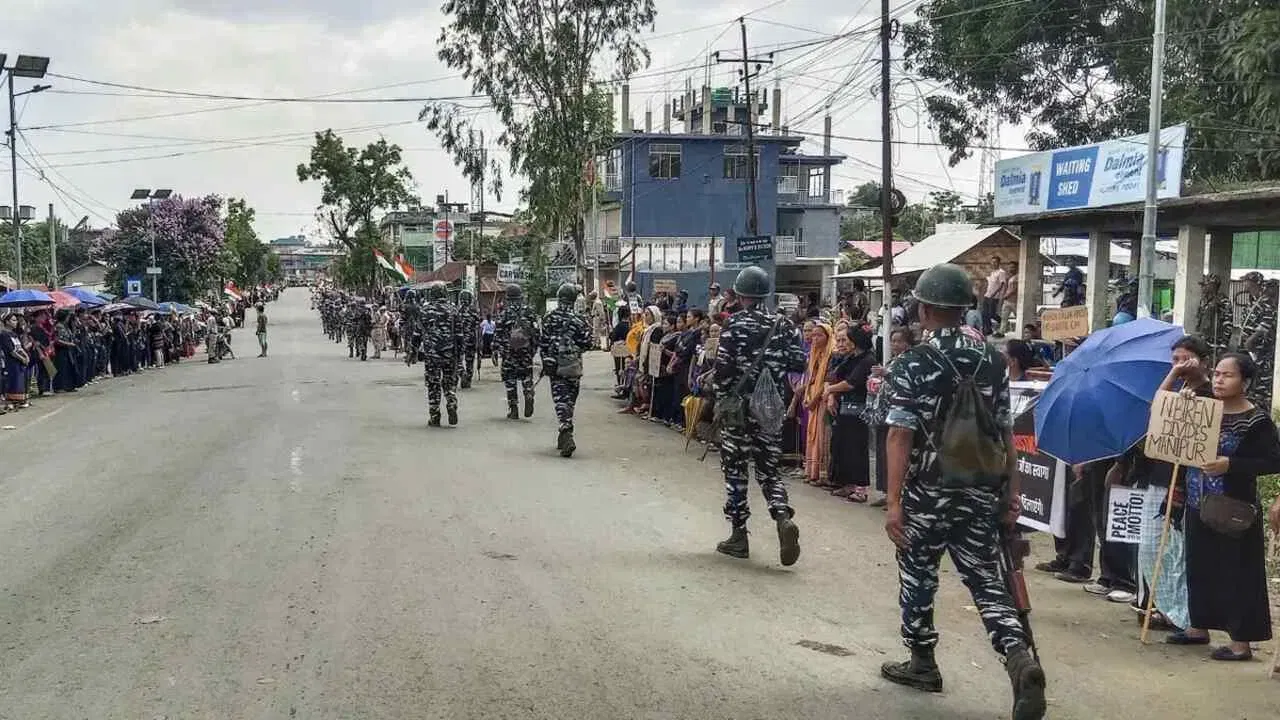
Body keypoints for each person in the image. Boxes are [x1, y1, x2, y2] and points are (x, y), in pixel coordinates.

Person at [879, 262, 1044, 718]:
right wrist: (1012, 493)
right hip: (980, 491)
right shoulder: (993, 361)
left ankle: (922, 661)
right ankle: (1017, 655)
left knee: (919, 575)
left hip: (927, 493)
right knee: (987, 580)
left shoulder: (912, 363)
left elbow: (899, 436)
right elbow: (1005, 432)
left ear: (925, 308)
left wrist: (894, 504)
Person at [1174, 352, 1280, 660]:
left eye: (1227, 375)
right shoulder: (1203, 409)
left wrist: (1230, 465)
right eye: (1217, 374)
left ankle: (1241, 642)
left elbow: (1273, 461)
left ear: (1244, 382)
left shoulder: (1256, 421)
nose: (1219, 380)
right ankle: (1199, 626)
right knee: (1199, 566)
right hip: (1197, 500)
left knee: (1238, 572)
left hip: (1234, 507)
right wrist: (1183, 406)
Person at [712, 266, 807, 566]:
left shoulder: (735, 324)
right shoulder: (786, 326)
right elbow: (799, 362)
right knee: (769, 470)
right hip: (770, 408)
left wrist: (719, 396)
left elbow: (724, 369)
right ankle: (781, 516)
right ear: (765, 294)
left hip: (739, 410)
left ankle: (738, 535)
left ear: (740, 295)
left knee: (736, 470)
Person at [540, 283, 594, 457]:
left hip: (555, 366)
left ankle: (566, 431)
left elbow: (543, 343)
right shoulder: (579, 319)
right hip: (573, 365)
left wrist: (545, 360)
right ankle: (564, 432)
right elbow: (588, 343)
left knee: (560, 400)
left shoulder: (549, 317)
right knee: (569, 400)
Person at [825, 325, 876, 502]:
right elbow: (833, 376)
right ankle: (847, 484)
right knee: (842, 446)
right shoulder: (850, 358)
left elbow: (851, 383)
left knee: (857, 449)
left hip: (860, 410)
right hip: (844, 408)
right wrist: (831, 394)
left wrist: (830, 389)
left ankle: (861, 489)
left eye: (847, 339)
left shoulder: (868, 360)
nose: (843, 343)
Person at [419, 282, 462, 427]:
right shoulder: (453, 310)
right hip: (450, 353)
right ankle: (451, 401)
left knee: (433, 383)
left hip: (432, 354)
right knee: (449, 381)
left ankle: (435, 415)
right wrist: (459, 355)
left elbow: (417, 333)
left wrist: (412, 350)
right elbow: (459, 335)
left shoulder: (425, 310)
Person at [495, 284, 541, 420]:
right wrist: (532, 350)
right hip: (525, 352)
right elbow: (536, 333)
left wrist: (498, 351)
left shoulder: (504, 313)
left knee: (510, 380)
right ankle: (528, 393)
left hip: (509, 353)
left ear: (508, 298)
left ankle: (513, 408)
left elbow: (498, 335)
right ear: (521, 297)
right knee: (526, 377)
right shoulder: (529, 312)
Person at [1237, 272, 1276, 409]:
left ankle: (1263, 407)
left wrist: (1252, 339)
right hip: (1247, 348)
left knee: (1261, 378)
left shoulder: (1266, 301)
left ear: (1254, 282)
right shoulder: (1253, 300)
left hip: (1259, 349)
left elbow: (1266, 322)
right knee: (1249, 377)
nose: (1244, 284)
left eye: (1246, 281)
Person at [1195, 274, 1233, 364]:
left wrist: (1224, 345)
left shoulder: (1223, 301)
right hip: (1203, 340)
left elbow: (1228, 324)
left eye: (1205, 285)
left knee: (1214, 367)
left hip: (1216, 342)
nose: (1202, 288)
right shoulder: (1203, 300)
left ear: (1212, 286)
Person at [456, 290, 481, 388]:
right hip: (471, 338)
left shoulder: (457, 311)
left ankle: (462, 373)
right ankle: (468, 380)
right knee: (470, 360)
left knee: (458, 359)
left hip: (460, 339)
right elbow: (478, 324)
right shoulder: (474, 311)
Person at [983, 256, 1009, 335]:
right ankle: (988, 329)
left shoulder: (1001, 272)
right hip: (987, 295)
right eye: (992, 262)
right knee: (985, 314)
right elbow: (990, 284)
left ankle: (1004, 323)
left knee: (992, 314)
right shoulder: (992, 272)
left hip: (994, 297)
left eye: (995, 262)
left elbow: (1001, 284)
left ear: (998, 263)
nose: (993, 263)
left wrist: (994, 294)